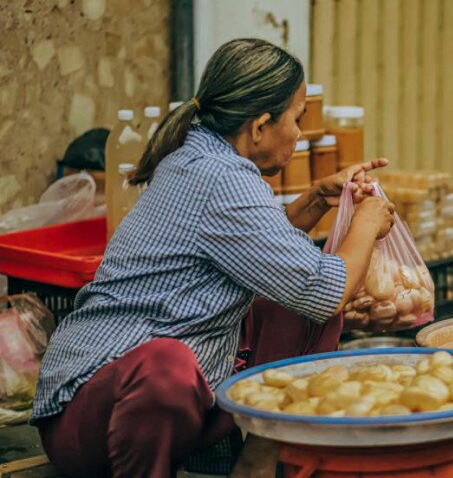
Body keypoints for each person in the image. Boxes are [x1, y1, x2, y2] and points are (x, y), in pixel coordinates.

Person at [32, 38, 394, 477]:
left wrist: (317, 199)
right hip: (90, 417)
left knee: (297, 311)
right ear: (260, 126)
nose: (300, 135)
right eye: (296, 120)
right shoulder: (221, 177)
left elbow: (261, 248)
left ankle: (255, 462)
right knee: (167, 364)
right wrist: (368, 222)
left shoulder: (203, 154)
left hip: (172, 398)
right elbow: (327, 290)